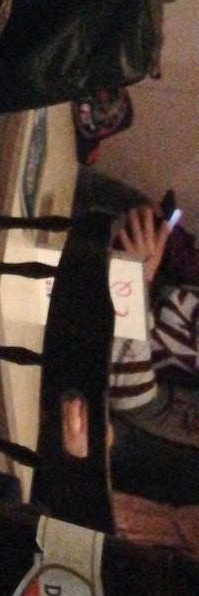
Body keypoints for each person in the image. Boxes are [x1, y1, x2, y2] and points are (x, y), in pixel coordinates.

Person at [108, 203, 199, 504]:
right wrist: (161, 226)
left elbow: (135, 402)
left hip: (94, 347)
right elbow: (180, 254)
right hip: (127, 278)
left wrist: (136, 280)